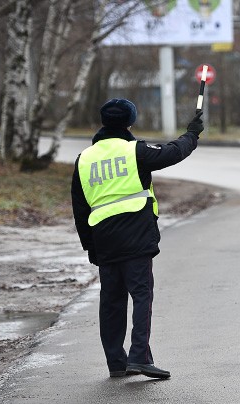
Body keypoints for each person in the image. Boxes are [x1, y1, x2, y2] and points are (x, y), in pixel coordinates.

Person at [71, 98, 203, 379]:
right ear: (129, 122)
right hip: (135, 236)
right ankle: (140, 357)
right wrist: (192, 133)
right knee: (141, 295)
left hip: (104, 239)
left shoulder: (84, 159)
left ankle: (117, 363)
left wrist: (90, 247)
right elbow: (174, 152)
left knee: (111, 301)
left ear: (103, 122)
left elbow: (80, 209)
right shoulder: (135, 151)